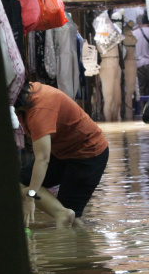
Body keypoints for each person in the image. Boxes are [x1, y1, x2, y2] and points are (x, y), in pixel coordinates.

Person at [15, 81, 110, 229]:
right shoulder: (29, 94)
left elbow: (42, 159)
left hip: (87, 154)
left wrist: (30, 198)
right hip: (62, 153)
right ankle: (62, 213)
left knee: (74, 220)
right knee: (20, 181)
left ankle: (81, 244)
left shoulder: (40, 110)